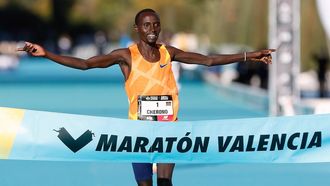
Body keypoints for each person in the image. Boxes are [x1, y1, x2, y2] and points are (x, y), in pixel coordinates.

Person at [18, 8, 275, 186]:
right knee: (144, 184)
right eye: (147, 25)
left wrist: (248, 55)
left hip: (167, 129)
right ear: (137, 29)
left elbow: (207, 60)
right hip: (137, 133)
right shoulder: (125, 56)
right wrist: (47, 54)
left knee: (165, 182)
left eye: (156, 25)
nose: (153, 30)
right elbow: (86, 64)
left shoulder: (167, 52)